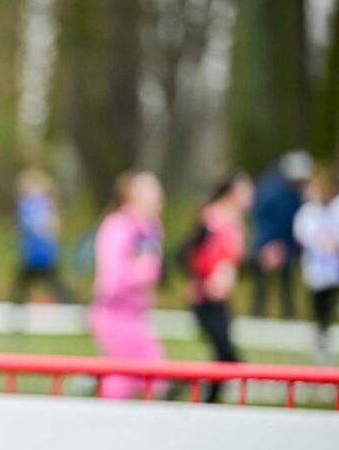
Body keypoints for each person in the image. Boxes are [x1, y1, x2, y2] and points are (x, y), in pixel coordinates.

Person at [89, 171, 165, 400]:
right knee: (123, 376)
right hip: (114, 311)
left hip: (136, 313)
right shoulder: (118, 225)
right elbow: (112, 276)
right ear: (133, 195)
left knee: (154, 373)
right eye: (150, 190)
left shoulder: (151, 228)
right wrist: (141, 273)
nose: (158, 195)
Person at [179, 171, 254, 402]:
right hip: (205, 298)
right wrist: (201, 281)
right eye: (245, 188)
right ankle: (176, 389)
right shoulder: (212, 219)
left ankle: (206, 402)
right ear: (230, 192)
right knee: (227, 356)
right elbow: (186, 252)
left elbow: (234, 262)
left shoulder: (237, 223)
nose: (251, 193)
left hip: (221, 299)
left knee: (225, 357)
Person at [250, 150, 313, 318]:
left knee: (287, 285)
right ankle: (257, 314)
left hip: (288, 246)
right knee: (261, 286)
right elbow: (261, 217)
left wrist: (289, 247)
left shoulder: (299, 194)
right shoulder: (270, 190)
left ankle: (288, 315)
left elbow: (299, 223)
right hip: (267, 243)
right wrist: (269, 244)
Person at [10, 167, 74, 308]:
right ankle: (71, 303)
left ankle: (72, 304)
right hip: (35, 254)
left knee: (51, 283)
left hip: (40, 255)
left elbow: (46, 227)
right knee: (24, 285)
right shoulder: (35, 204)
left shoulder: (39, 205)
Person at [293, 171, 339, 362]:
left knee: (330, 305)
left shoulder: (335, 208)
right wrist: (321, 242)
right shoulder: (309, 211)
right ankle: (321, 341)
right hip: (318, 269)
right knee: (320, 308)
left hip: (334, 269)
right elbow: (303, 234)